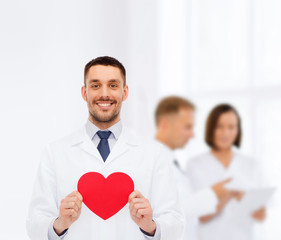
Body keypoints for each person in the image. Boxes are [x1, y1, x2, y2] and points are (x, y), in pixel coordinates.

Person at [26, 56, 184, 240]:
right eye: (95, 85)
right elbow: (34, 224)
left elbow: (176, 222)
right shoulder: (55, 153)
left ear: (125, 93)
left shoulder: (154, 153)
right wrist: (60, 224)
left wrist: (150, 226)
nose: (104, 94)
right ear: (84, 93)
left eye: (113, 85)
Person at [154, 96, 232, 239]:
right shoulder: (152, 162)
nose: (192, 134)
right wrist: (213, 194)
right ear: (165, 124)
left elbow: (189, 212)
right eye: (187, 127)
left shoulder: (172, 162)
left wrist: (221, 199)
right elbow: (169, 212)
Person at [186, 103, 266, 240]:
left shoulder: (251, 165)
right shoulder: (195, 165)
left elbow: (261, 215)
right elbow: (200, 216)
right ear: (211, 129)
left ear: (238, 130)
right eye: (219, 127)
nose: (226, 133)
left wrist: (241, 198)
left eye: (231, 127)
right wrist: (229, 194)